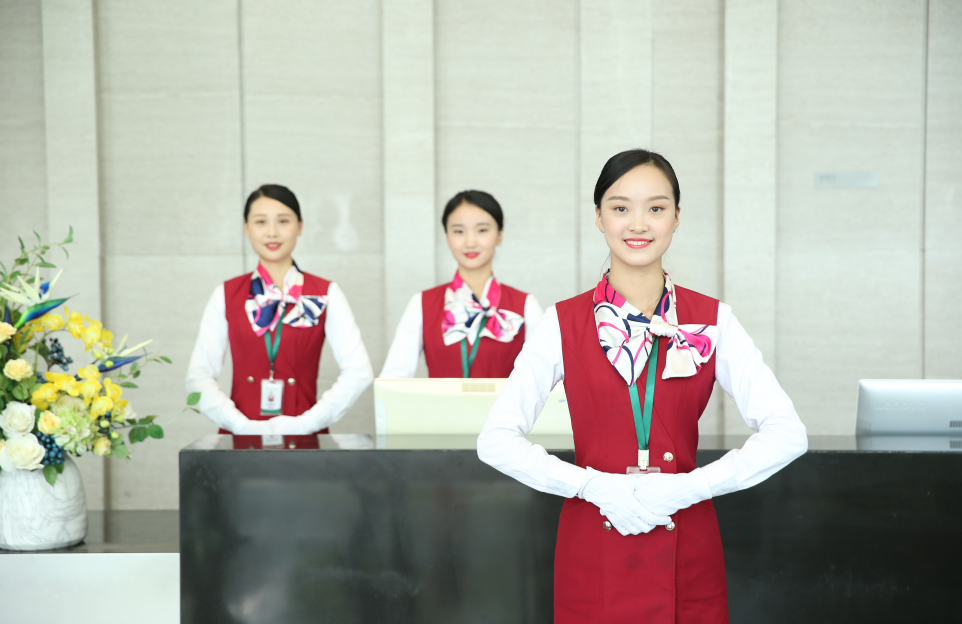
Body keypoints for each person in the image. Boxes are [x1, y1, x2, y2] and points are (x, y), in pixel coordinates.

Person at [477, 150, 808, 622]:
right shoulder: (561, 323)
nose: (638, 224)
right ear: (598, 217)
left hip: (686, 543)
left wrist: (690, 487)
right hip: (593, 542)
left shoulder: (713, 319)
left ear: (676, 217)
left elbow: (788, 433)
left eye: (656, 208)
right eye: (620, 207)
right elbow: (495, 440)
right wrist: (591, 485)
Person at [185, 185, 373, 449]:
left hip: (305, 441)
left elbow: (359, 371)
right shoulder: (225, 294)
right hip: (239, 442)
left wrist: (307, 423)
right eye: (261, 222)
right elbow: (199, 374)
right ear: (246, 228)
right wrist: (239, 425)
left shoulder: (326, 293)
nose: (272, 232)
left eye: (283, 221)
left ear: (300, 226)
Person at [380, 190, 542, 379]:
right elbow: (393, 380)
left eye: (482, 230)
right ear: (447, 237)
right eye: (458, 231)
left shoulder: (526, 305)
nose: (470, 242)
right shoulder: (422, 304)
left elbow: (545, 380)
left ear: (499, 235)